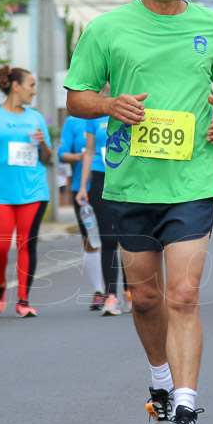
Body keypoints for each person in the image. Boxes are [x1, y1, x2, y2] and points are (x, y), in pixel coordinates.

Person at [64, 0, 213, 424]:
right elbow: (76, 97)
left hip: (191, 176)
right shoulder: (106, 29)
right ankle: (161, 385)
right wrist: (109, 104)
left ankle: (186, 409)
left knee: (183, 295)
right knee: (144, 297)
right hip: (130, 180)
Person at [0, 65, 52, 318]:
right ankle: (0, 283)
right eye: (31, 85)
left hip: (33, 191)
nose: (34, 91)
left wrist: (43, 143)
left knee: (25, 244)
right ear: (16, 86)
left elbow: (49, 158)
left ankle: (23, 299)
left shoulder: (36, 117)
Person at [76, 115, 127, 315]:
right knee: (108, 238)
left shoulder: (132, 103)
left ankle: (131, 292)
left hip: (128, 176)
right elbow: (89, 151)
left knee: (129, 237)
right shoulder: (94, 114)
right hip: (100, 177)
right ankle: (111, 295)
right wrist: (82, 187)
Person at [59, 111, 106, 310]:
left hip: (115, 184)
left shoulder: (114, 113)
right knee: (90, 240)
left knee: (118, 238)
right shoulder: (74, 121)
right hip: (83, 188)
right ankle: (99, 291)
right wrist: (84, 155)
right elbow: (62, 154)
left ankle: (125, 290)